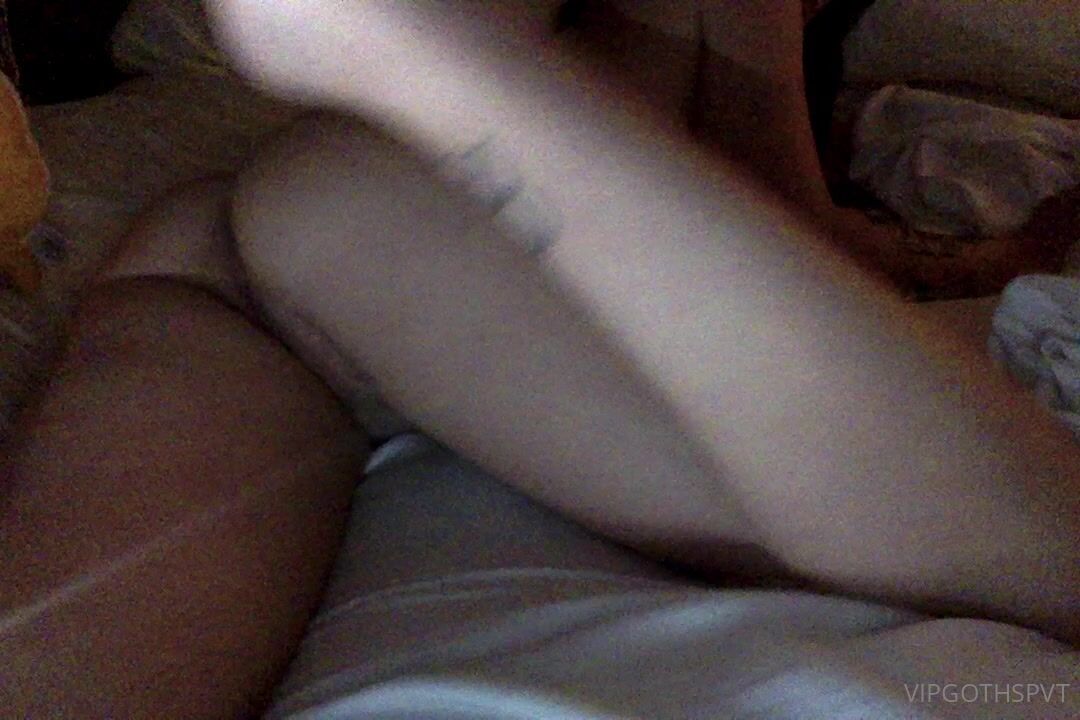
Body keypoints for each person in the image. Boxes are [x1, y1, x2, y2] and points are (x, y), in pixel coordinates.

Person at [2, 1, 1077, 717]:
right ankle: (437, 70)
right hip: (476, 233)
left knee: (211, 248)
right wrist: (972, 258)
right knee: (265, 227)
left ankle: (431, 74)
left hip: (395, 237)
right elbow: (783, 203)